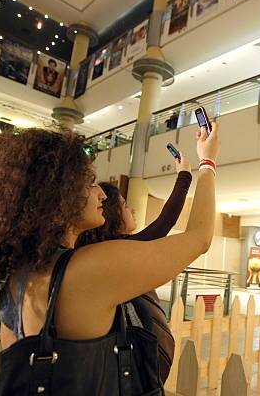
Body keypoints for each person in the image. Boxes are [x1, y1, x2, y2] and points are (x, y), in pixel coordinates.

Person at [0, 123, 220, 392]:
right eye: (89, 183)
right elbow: (199, 238)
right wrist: (207, 162)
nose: (102, 195)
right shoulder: (90, 268)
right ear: (57, 194)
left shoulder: (18, 279)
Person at [76, 151, 192, 383]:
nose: (133, 210)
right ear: (110, 213)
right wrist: (185, 175)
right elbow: (165, 222)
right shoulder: (115, 251)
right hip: (135, 372)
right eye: (125, 205)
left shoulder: (101, 250)